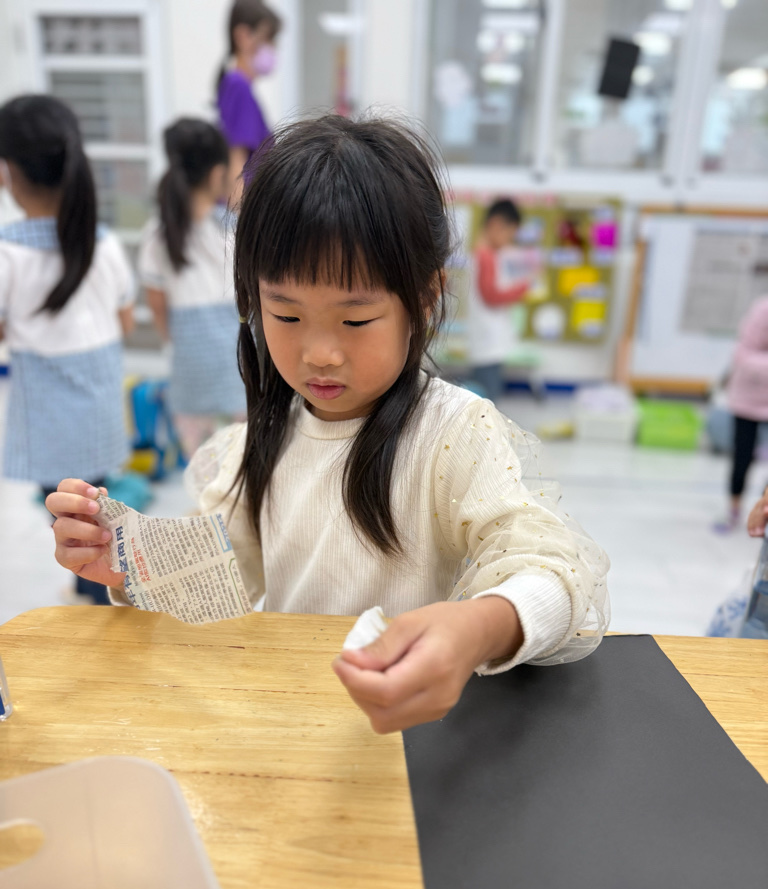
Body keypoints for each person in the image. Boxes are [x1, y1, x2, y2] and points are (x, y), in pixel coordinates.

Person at [47, 115, 610, 733]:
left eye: (355, 320)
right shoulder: (258, 439)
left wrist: (477, 628)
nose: (319, 354)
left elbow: (554, 572)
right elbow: (222, 571)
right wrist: (128, 564)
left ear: (425, 298)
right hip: (289, 724)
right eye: (286, 315)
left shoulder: (454, 434)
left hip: (411, 737)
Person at [0, 94, 134, 605]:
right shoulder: (104, 242)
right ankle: (90, 583)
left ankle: (92, 591)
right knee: (93, 500)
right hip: (96, 402)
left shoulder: (8, 250)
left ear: (8, 172)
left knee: (61, 503)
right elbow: (124, 319)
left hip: (46, 411)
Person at [139, 118, 246, 461]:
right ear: (217, 174)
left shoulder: (157, 233)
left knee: (200, 466)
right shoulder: (234, 229)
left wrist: (177, 342)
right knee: (238, 462)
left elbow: (157, 307)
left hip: (189, 371)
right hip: (237, 371)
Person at [467, 198, 533, 401]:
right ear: (496, 224)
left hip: (488, 342)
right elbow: (491, 295)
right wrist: (521, 290)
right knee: (487, 401)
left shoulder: (486, 253)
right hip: (488, 344)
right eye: (510, 233)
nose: (510, 240)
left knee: (483, 398)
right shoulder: (485, 255)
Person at [216, 0, 282, 200]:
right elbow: (236, 165)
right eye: (267, 38)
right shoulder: (239, 87)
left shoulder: (235, 85)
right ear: (243, 36)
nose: (272, 48)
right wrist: (238, 215)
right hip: (243, 207)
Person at [716, 297, 768, 532]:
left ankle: (763, 512)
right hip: (748, 397)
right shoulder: (762, 308)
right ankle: (734, 509)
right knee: (742, 456)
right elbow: (743, 354)